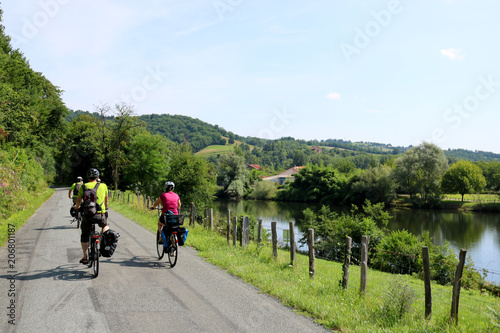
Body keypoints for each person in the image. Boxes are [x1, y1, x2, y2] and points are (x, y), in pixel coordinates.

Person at [75, 168, 109, 264]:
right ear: (97, 177)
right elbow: (106, 201)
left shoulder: (83, 186)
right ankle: (104, 242)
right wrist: (105, 209)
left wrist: (77, 208)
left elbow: (78, 201)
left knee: (85, 235)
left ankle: (85, 257)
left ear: (88, 177)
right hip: (100, 214)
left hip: (87, 215)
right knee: (105, 225)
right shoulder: (103, 186)